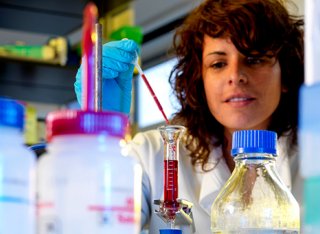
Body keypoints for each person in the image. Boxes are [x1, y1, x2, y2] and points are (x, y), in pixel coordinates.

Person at [74, 0, 304, 233]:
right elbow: (90, 224)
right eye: (218, 63)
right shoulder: (151, 155)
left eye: (254, 59)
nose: (236, 76)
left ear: (285, 73)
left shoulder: (312, 160)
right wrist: (102, 143)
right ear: (200, 78)